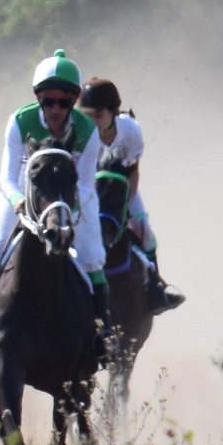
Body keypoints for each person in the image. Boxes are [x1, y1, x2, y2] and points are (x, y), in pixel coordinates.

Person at [0, 48, 108, 356]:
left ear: (75, 98)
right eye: (48, 100)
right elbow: (7, 178)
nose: (55, 108)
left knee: (93, 254)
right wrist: (18, 203)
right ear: (36, 96)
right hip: (26, 187)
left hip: (71, 192)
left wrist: (67, 212)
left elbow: (87, 183)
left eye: (64, 101)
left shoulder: (88, 131)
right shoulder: (19, 121)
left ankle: (104, 332)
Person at [79, 76, 185, 313]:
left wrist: (124, 204)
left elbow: (133, 171)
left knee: (143, 229)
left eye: (98, 116)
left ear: (114, 112)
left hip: (121, 187)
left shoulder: (130, 131)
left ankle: (156, 287)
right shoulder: (77, 132)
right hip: (87, 188)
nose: (92, 122)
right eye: (87, 116)